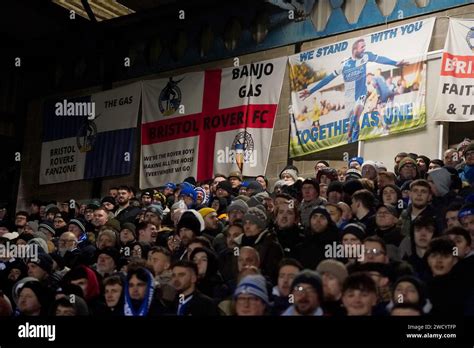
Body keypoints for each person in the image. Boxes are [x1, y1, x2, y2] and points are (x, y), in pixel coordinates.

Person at [299, 38, 406, 143]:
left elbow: (380, 59)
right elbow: (328, 79)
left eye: (365, 46)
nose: (364, 49)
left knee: (356, 114)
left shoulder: (366, 56)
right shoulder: (344, 65)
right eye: (362, 47)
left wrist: (395, 63)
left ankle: (353, 139)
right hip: (349, 98)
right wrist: (311, 91)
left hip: (361, 95)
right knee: (353, 122)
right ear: (355, 49)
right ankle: (351, 138)